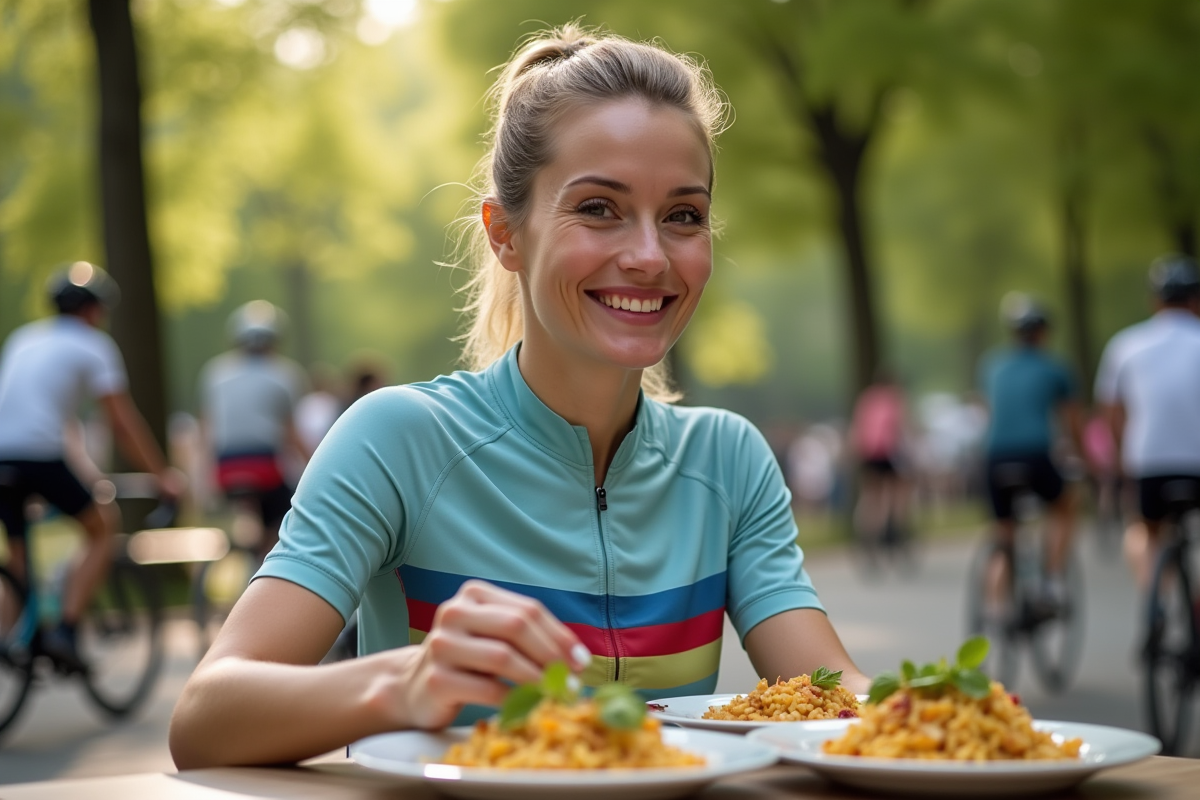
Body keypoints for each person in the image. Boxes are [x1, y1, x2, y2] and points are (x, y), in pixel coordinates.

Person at [169, 25, 868, 769]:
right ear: (506, 235)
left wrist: (939, 708)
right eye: (598, 208)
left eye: (683, 215)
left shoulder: (729, 461)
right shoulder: (397, 439)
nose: (648, 256)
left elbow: (831, 694)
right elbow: (206, 717)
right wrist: (405, 683)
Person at [0, 261, 180, 669]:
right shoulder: (93, 345)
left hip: (3, 455)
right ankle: (65, 630)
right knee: (102, 526)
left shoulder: (24, 339)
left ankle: (12, 639)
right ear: (94, 310)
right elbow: (121, 422)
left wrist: (87, 474)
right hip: (37, 454)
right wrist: (161, 475)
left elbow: (53, 421)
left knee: (17, 558)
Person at [1094, 255, 1200, 590]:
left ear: (1154, 301)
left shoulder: (1125, 345)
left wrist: (1122, 460)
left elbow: (1111, 413)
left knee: (1144, 532)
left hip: (1147, 463)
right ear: (1195, 300)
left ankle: (1155, 599)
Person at [978, 293, 1088, 614]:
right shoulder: (1056, 368)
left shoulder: (992, 366)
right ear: (1043, 332)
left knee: (1004, 533)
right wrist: (1083, 458)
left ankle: (995, 610)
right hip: (1036, 454)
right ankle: (1051, 583)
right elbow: (1072, 422)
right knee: (1065, 505)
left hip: (995, 457)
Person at [199, 300, 308, 557]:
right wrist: (315, 462)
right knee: (287, 513)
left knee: (250, 515)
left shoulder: (214, 373)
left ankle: (250, 551)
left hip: (225, 466)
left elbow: (207, 430)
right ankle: (270, 560)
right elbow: (291, 434)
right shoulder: (286, 374)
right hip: (264, 465)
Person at [849, 370, 910, 555]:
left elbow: (857, 428)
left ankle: (868, 532)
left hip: (868, 454)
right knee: (898, 492)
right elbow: (900, 428)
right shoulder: (894, 399)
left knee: (872, 495)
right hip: (888, 453)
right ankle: (893, 529)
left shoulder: (866, 399)